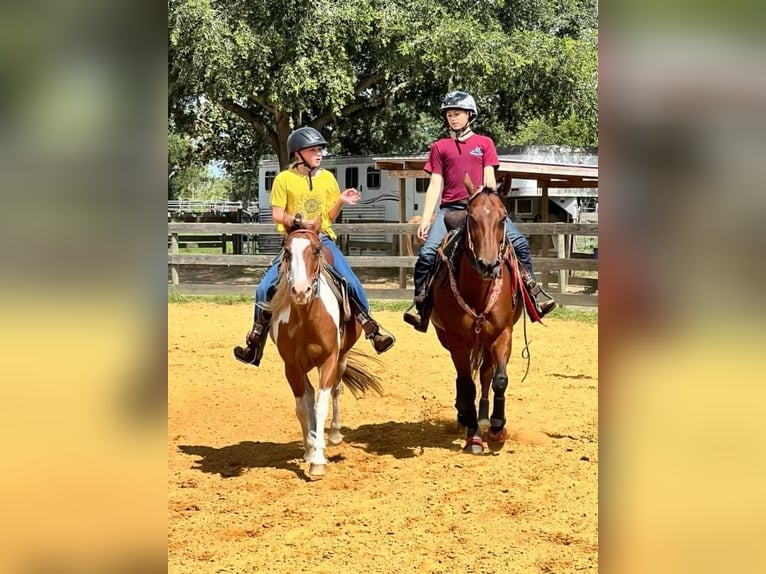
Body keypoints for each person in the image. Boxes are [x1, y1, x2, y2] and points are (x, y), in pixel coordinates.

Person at [233, 126, 396, 365]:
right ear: (298, 153)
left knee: (351, 282)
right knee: (263, 288)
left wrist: (340, 201)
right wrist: (299, 222)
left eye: (320, 150)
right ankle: (255, 342)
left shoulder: (328, 178)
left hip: (322, 240)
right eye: (313, 150)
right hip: (294, 241)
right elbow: (277, 214)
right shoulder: (284, 179)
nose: (319, 154)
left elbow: (329, 216)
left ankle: (372, 329)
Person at [403, 91, 556, 332]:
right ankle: (420, 305)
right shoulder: (440, 147)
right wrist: (425, 217)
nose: (453, 119)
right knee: (427, 254)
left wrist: (491, 206)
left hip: (482, 211)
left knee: (520, 245)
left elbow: (489, 180)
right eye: (449, 115)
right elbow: (435, 183)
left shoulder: (484, 144)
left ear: (469, 115)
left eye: (457, 114)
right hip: (450, 211)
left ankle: (533, 292)